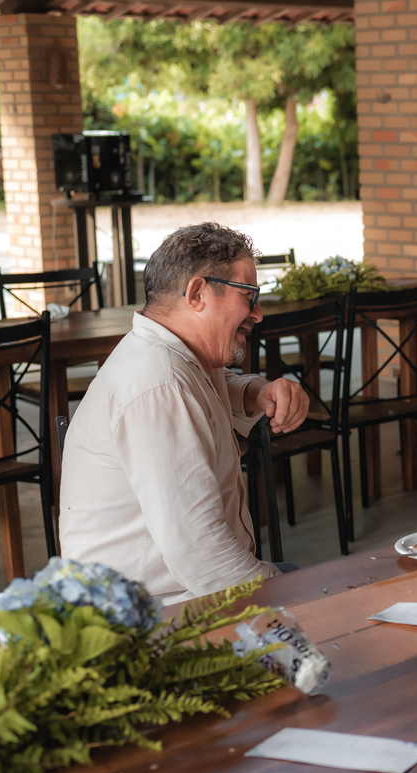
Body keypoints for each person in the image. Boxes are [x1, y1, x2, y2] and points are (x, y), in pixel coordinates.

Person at [60, 222, 309, 605]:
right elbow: (202, 556)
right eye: (249, 296)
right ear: (197, 294)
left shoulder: (173, 358)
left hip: (183, 590)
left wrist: (259, 391)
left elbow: (214, 383)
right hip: (156, 614)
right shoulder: (158, 383)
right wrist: (289, 594)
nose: (257, 314)